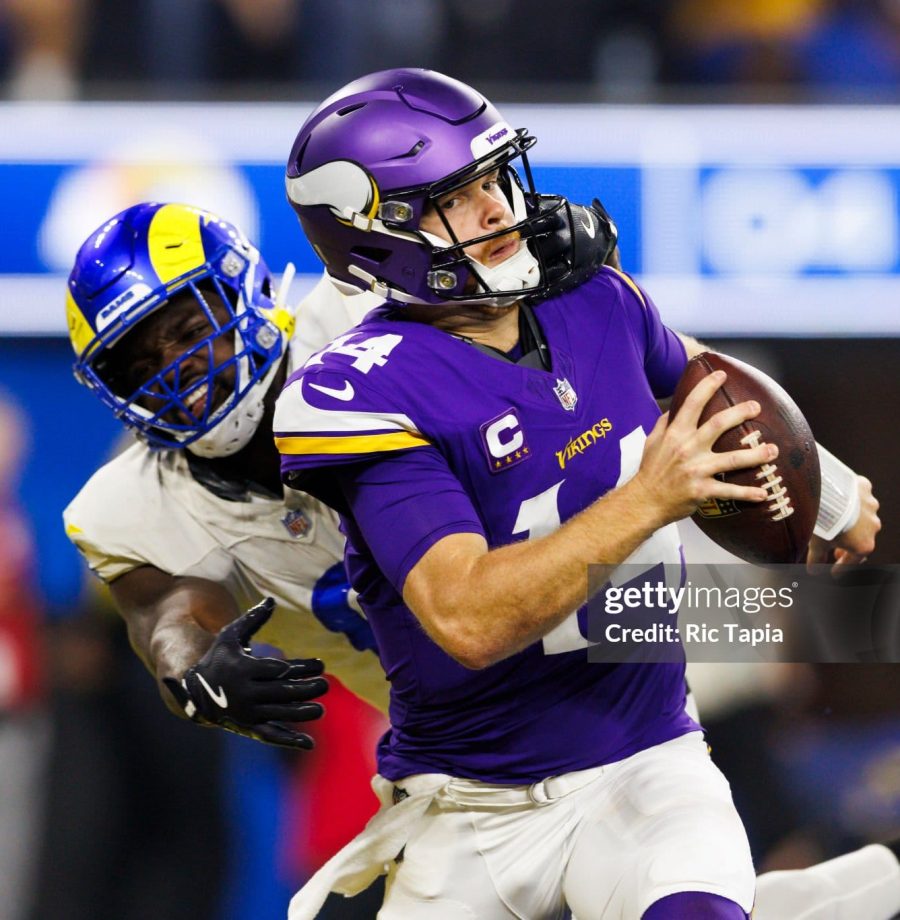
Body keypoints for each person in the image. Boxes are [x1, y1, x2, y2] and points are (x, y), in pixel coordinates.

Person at [60, 200, 897, 919]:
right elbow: (163, 609)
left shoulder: (369, 319)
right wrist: (189, 663)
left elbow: (648, 352)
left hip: (606, 609)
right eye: (143, 361)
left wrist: (821, 489)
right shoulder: (129, 505)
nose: (179, 369)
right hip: (470, 737)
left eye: (188, 329)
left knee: (820, 632)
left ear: (247, 290)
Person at [275, 67, 885, 919]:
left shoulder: (598, 302)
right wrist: (649, 498)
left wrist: (826, 495)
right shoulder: (357, 391)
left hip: (646, 759)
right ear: (378, 234)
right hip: (467, 806)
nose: (495, 209)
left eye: (493, 179)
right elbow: (468, 620)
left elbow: (710, 387)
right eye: (455, 197)